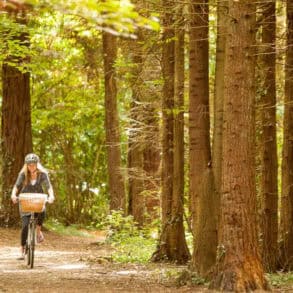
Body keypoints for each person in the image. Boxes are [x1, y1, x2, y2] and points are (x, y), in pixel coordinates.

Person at [11, 153, 55, 260]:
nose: (31, 167)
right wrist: (13, 195)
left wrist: (51, 196)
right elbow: (16, 186)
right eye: (29, 165)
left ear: (37, 164)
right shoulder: (23, 174)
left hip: (38, 199)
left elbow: (48, 187)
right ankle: (22, 250)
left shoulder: (42, 174)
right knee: (25, 225)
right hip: (25, 200)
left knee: (42, 210)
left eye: (33, 164)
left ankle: (38, 231)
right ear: (26, 165)